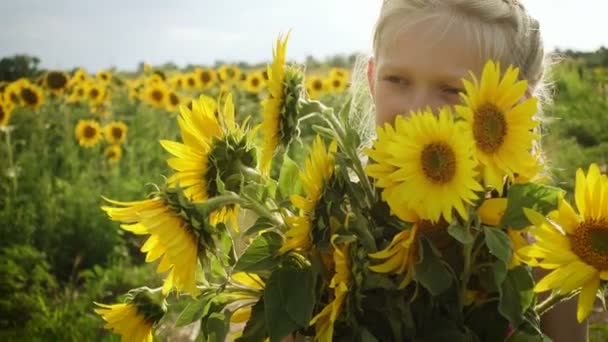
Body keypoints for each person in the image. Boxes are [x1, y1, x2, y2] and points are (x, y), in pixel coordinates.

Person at [347, 0, 587, 341]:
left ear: (512, 107)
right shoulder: (337, 235)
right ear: (372, 80)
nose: (418, 111)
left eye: (452, 90)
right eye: (397, 79)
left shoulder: (544, 258)